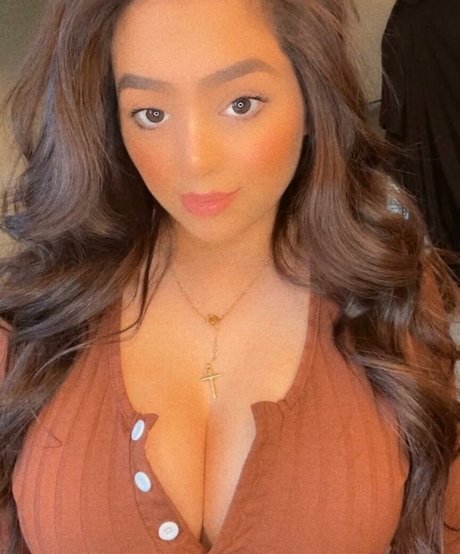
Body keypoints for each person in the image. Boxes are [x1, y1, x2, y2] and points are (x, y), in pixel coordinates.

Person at [0, 0, 458, 552]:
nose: (196, 161)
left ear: (311, 98)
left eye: (241, 104)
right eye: (150, 114)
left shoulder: (387, 292)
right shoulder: (34, 317)